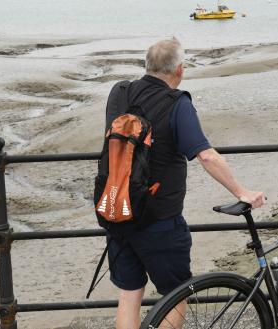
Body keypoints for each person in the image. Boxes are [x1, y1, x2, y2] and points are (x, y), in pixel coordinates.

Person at [101, 38, 266, 329]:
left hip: (117, 210)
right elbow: (206, 156)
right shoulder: (177, 103)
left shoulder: (120, 92)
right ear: (180, 70)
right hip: (159, 218)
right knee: (175, 294)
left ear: (147, 66)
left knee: (129, 294)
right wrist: (242, 192)